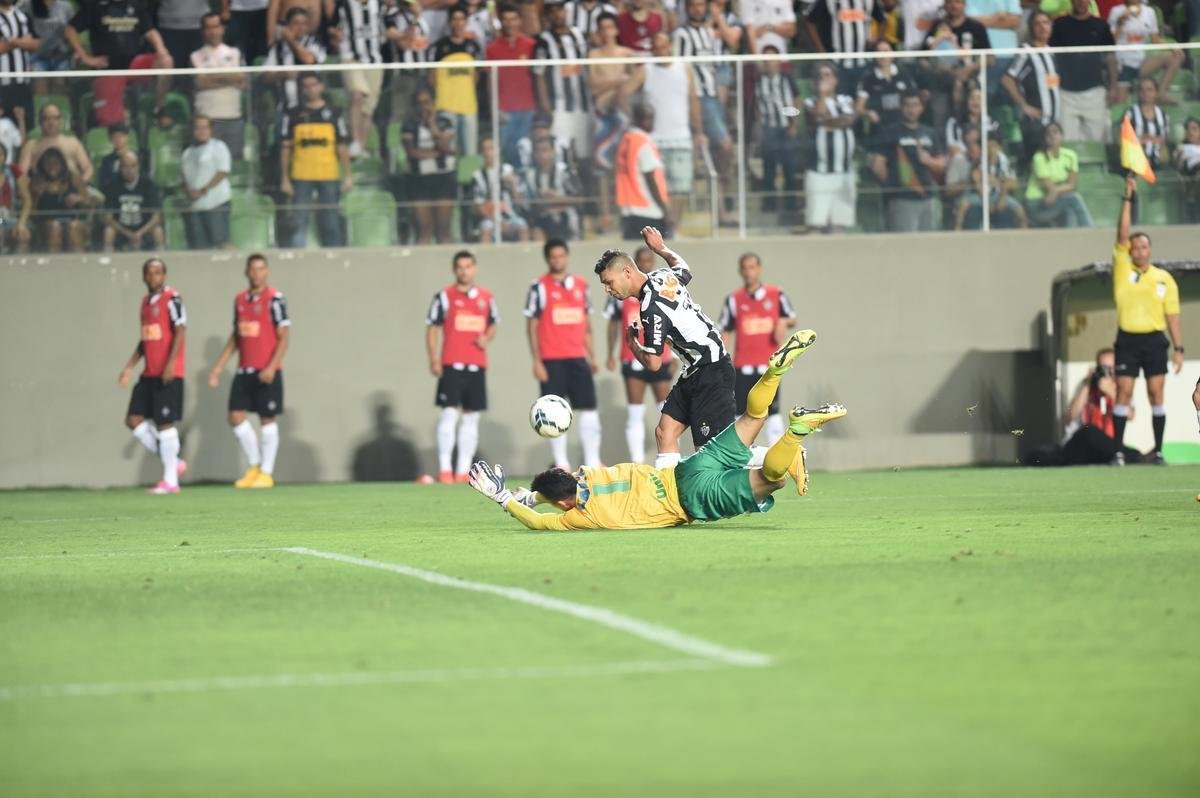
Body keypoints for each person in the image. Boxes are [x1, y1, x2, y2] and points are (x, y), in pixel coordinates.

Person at [466, 332, 845, 531]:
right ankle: (773, 373)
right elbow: (561, 491)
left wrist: (503, 499)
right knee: (752, 419)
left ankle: (795, 434)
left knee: (772, 479)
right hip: (685, 469)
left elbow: (543, 518)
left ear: (564, 503)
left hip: (691, 499)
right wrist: (531, 495)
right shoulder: (592, 474)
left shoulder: (580, 517)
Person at [596, 226, 748, 468]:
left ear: (626, 272)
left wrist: (631, 343)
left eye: (608, 282)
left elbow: (654, 363)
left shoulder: (650, 307)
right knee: (665, 432)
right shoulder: (662, 276)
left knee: (713, 455)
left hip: (711, 370)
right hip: (696, 369)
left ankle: (782, 455)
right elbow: (685, 269)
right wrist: (661, 249)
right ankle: (667, 497)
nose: (607, 289)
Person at [1110, 174, 1183, 465]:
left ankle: (1159, 450)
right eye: (1135, 246)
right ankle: (1117, 451)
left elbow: (1173, 315)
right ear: (1130, 250)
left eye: (1144, 246)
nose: (1139, 250)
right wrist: (1128, 196)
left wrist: (1178, 348)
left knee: (1156, 392)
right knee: (1124, 391)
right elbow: (1121, 234)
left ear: (1150, 250)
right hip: (1128, 339)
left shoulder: (1163, 278)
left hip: (1154, 340)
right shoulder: (1121, 268)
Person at [206, 253, 292, 489]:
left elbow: (284, 337)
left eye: (261, 268)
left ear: (268, 272)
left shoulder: (276, 299)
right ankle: (255, 466)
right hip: (244, 370)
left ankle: (266, 473)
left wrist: (272, 366)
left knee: (267, 419)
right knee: (235, 416)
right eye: (253, 269)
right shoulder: (240, 300)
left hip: (267, 370)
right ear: (246, 272)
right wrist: (218, 367)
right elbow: (237, 336)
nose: (257, 273)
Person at [524, 238, 602, 469]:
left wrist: (592, 356)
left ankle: (592, 461)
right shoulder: (538, 287)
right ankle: (561, 463)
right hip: (551, 359)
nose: (558, 260)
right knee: (553, 410)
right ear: (547, 259)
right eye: (553, 256)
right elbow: (532, 325)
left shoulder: (581, 284)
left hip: (577, 357)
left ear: (567, 257)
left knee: (588, 407)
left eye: (561, 256)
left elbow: (586, 324)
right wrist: (536, 360)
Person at [426, 250, 499, 484]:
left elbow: (493, 324)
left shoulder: (486, 297)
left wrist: (486, 338)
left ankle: (463, 471)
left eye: (468, 266)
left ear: (474, 268)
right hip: (451, 364)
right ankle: (445, 469)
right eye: (460, 267)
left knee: (471, 418)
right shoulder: (444, 296)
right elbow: (432, 327)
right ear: (454, 269)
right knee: (449, 414)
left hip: (476, 365)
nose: (464, 270)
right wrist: (434, 358)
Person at [117, 258, 188, 495]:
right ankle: (174, 462)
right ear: (144, 276)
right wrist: (129, 367)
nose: (153, 277)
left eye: (158, 272)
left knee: (164, 423)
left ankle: (171, 481)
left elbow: (180, 331)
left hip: (168, 373)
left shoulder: (173, 299)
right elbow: (146, 339)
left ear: (164, 275)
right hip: (149, 374)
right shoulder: (145, 303)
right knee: (134, 420)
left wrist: (170, 365)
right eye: (149, 273)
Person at [718, 252, 797, 451]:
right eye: (745, 268)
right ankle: (739, 457)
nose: (748, 272)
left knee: (773, 411)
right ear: (740, 271)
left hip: (769, 367)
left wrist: (783, 321)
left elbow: (792, 317)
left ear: (760, 269)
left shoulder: (775, 294)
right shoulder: (734, 299)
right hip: (742, 366)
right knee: (739, 413)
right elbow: (725, 330)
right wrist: (720, 360)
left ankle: (777, 460)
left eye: (752, 267)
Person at [604, 246, 676, 463]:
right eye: (641, 260)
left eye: (648, 260)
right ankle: (637, 461)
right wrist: (610, 352)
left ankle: (672, 456)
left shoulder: (661, 289)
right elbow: (613, 325)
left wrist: (672, 357)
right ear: (631, 266)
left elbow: (672, 323)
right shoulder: (619, 292)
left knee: (667, 410)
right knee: (636, 411)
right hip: (632, 357)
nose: (645, 264)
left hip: (659, 356)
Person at [65, 0, 173, 127]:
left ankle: (160, 108)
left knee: (166, 61)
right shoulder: (95, 6)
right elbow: (70, 29)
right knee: (112, 123)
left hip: (134, 65)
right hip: (108, 68)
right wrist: (85, 57)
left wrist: (161, 49)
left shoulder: (136, 6)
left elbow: (150, 31)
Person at [674, 0, 735, 224]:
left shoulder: (710, 31)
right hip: (697, 97)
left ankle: (720, 199)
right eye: (693, 5)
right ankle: (718, 184)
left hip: (712, 95)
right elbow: (680, 68)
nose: (698, 9)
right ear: (687, 8)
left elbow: (714, 66)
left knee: (719, 153)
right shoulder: (681, 34)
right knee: (724, 146)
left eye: (701, 5)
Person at [279, 72, 351, 248]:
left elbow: (341, 146)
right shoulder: (292, 114)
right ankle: (298, 257)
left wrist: (348, 175)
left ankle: (333, 256)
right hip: (301, 174)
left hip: (328, 174)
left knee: (330, 220)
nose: (310, 89)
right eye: (306, 86)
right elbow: (285, 147)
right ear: (301, 89)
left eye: (313, 85)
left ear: (321, 86)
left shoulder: (334, 113)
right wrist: (285, 178)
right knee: (299, 220)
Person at [588, 10, 643, 231]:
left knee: (622, 164)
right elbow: (593, 86)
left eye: (610, 27)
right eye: (603, 28)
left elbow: (635, 81)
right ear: (598, 32)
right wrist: (617, 81)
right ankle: (605, 212)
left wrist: (617, 84)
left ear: (616, 30)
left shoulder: (627, 54)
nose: (607, 32)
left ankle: (623, 210)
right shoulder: (593, 55)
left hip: (621, 114)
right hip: (602, 114)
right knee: (602, 164)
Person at [639, 34, 695, 227]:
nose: (661, 50)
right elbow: (624, 93)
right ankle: (664, 225)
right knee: (658, 188)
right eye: (656, 47)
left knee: (681, 188)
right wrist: (636, 120)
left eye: (663, 46)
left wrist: (699, 131)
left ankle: (675, 227)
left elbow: (693, 100)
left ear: (669, 46)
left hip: (681, 137)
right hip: (655, 140)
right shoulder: (646, 70)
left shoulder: (684, 68)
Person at [869, 89, 944, 233]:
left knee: (928, 245)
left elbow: (942, 164)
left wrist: (929, 161)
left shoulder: (930, 133)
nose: (911, 109)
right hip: (901, 199)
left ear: (921, 108)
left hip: (928, 198)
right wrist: (894, 185)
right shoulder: (890, 132)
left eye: (915, 105)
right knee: (904, 246)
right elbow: (877, 165)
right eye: (907, 105)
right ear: (901, 107)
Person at [533, 0, 592, 168]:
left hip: (584, 103)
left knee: (584, 151)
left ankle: (585, 189)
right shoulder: (544, 41)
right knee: (561, 150)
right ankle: (563, 188)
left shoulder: (579, 34)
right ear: (548, 15)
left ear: (565, 11)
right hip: (559, 105)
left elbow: (590, 65)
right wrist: (546, 106)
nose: (557, 14)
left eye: (560, 10)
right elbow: (539, 74)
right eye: (552, 11)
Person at [1049, 0, 1118, 143]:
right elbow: (1051, 58)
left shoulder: (1101, 25)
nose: (1081, 2)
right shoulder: (1059, 24)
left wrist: (1113, 87)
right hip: (1066, 93)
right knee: (1067, 141)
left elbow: (1111, 58)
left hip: (1095, 93)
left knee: (1098, 140)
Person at [1000, 11, 1061, 165]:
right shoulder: (1026, 52)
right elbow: (1007, 79)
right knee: (1036, 165)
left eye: (1046, 23)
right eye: (1037, 23)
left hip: (1053, 122)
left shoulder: (1052, 52)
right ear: (1031, 28)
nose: (1042, 27)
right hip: (1035, 124)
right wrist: (1024, 106)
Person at [804, 62, 857, 233]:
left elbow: (848, 120)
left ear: (836, 80)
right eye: (820, 76)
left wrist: (824, 122)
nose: (823, 79)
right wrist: (822, 96)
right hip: (819, 173)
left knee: (840, 223)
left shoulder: (846, 99)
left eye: (827, 75)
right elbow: (814, 117)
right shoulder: (809, 101)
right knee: (816, 222)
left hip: (844, 172)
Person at [332, 0, 385, 159]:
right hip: (350, 57)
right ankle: (355, 140)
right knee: (357, 95)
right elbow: (332, 26)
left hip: (374, 59)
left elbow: (386, 25)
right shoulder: (344, 4)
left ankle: (361, 145)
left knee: (368, 107)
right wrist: (335, 35)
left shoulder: (380, 4)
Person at [191, 11, 247, 160]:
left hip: (233, 118)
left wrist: (212, 75)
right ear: (203, 31)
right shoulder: (195, 56)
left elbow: (242, 81)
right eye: (208, 27)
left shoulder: (235, 53)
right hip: (207, 121)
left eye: (216, 26)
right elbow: (200, 82)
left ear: (222, 28)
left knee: (233, 164)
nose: (213, 31)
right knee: (205, 163)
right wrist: (229, 77)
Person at [487, 4, 538, 168]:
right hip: (504, 109)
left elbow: (537, 76)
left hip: (527, 108)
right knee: (506, 152)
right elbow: (490, 81)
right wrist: (494, 108)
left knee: (525, 151)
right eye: (506, 19)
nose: (510, 23)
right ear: (501, 21)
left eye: (513, 19)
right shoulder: (492, 48)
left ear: (520, 21)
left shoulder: (531, 45)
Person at [429, 4, 483, 158]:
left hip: (468, 107)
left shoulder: (474, 47)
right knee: (448, 152)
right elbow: (431, 77)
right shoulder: (439, 47)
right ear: (449, 22)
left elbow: (476, 77)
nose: (458, 23)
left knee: (469, 153)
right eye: (454, 19)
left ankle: (469, 181)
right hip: (446, 107)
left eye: (461, 19)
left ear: (466, 22)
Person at [1106, 1, 1183, 106]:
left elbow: (1155, 39)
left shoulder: (1149, 12)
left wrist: (1172, 47)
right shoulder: (1116, 11)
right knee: (1119, 103)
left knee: (1176, 57)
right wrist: (1121, 22)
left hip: (1141, 62)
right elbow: (1110, 41)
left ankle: (1160, 94)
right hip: (1122, 64)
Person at [615, 105, 672, 240]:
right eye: (646, 119)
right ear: (636, 120)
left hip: (629, 209)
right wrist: (665, 208)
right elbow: (651, 178)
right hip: (649, 210)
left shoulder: (626, 139)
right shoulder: (642, 142)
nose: (650, 123)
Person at [1024, 120, 1093, 227]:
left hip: (1057, 199)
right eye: (1048, 133)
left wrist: (1056, 191)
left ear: (1062, 136)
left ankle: (1070, 238)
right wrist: (1057, 190)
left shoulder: (1070, 155)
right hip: (1037, 203)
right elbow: (1049, 188)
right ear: (1045, 138)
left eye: (1055, 132)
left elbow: (1072, 184)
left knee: (1069, 203)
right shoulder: (1039, 157)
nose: (1052, 136)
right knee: (1073, 198)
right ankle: (1090, 230)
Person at [756, 45, 799, 215]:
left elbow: (796, 101)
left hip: (786, 128)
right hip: (769, 129)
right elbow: (758, 106)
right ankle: (770, 203)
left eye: (772, 58)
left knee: (789, 168)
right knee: (769, 168)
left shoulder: (787, 79)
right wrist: (760, 128)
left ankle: (791, 203)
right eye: (765, 59)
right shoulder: (760, 81)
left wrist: (793, 125)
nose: (769, 62)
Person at [181, 115, 233, 249]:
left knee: (221, 243)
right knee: (199, 248)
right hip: (195, 206)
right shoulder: (187, 153)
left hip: (216, 203)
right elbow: (183, 177)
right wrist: (188, 192)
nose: (201, 131)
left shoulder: (219, 147)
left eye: (204, 127)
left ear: (211, 130)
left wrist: (203, 190)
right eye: (197, 128)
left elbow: (222, 171)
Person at [262, 7, 326, 112]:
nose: (301, 27)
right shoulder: (278, 48)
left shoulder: (314, 43)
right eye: (296, 23)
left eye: (304, 23)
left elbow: (309, 60)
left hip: (311, 106)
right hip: (285, 107)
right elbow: (264, 77)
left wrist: (290, 40)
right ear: (288, 26)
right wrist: (283, 74)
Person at [521, 134, 584, 240]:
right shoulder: (530, 175)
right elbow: (526, 203)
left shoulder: (564, 172)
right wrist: (541, 200)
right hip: (542, 218)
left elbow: (580, 199)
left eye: (545, 150)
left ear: (553, 152)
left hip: (566, 217)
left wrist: (557, 198)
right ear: (533, 154)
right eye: (538, 151)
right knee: (536, 233)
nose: (541, 154)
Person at [26, 145, 88, 252]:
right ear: (42, 165)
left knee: (74, 228)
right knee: (55, 228)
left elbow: (89, 201)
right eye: (48, 164)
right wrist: (36, 196)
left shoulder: (73, 178)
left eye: (55, 164)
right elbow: (30, 212)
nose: (52, 167)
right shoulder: (36, 181)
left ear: (62, 164)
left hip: (71, 219)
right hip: (45, 222)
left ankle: (78, 263)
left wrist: (79, 199)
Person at [471, 134, 529, 242]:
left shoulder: (509, 170)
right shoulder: (477, 176)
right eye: (485, 149)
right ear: (481, 153)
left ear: (498, 150)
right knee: (485, 229)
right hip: (489, 218)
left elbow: (520, 202)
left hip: (510, 217)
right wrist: (497, 221)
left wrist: (513, 185)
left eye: (491, 148)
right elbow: (477, 206)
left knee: (522, 226)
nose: (488, 153)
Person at [103, 151, 165, 252]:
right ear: (120, 168)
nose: (129, 170)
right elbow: (108, 218)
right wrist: (128, 233)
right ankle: (107, 261)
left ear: (138, 167)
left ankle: (160, 262)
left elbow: (157, 217)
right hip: (122, 230)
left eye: (133, 166)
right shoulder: (112, 185)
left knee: (158, 231)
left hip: (144, 229)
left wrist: (139, 233)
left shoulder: (148, 184)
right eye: (125, 166)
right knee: (109, 231)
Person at [17, 101, 92, 183]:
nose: (51, 122)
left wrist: (80, 184)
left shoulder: (73, 142)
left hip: (72, 187)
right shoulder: (31, 145)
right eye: (46, 118)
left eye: (55, 118)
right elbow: (21, 174)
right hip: (41, 189)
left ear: (60, 120)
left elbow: (88, 169)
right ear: (40, 121)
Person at [383, 0, 430, 127]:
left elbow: (425, 42)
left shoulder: (423, 19)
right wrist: (414, 20)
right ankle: (394, 142)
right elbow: (404, 44)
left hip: (422, 71)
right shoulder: (395, 18)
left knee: (424, 109)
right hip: (404, 72)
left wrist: (417, 17)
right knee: (400, 110)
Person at [0, 0, 38, 139]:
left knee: (25, 128)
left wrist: (12, 41)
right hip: (2, 84)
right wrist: (23, 42)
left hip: (23, 83)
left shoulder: (23, 16)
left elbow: (36, 43)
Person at [1122, 76, 1168, 170]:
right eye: (1142, 90)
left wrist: (1156, 141)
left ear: (1156, 93)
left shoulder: (1163, 115)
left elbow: (1164, 140)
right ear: (1138, 93)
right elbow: (1121, 140)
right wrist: (1141, 140)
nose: (1145, 93)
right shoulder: (1130, 113)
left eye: (1149, 89)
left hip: (1158, 161)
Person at [0, 143, 31, 253]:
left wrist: (21, 223)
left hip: (8, 218)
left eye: (0, 154)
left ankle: (19, 265)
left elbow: (27, 200)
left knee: (22, 234)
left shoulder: (13, 170)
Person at [221, 0, 270, 65]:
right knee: (237, 47)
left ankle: (260, 73)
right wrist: (225, 9)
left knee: (261, 48)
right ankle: (238, 71)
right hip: (238, 9)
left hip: (263, 8)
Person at [1174, 117, 1200, 224]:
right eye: (1187, 129)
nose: (1191, 132)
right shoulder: (1181, 148)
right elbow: (1177, 169)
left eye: (1194, 129)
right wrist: (1179, 158)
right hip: (1192, 177)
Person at [97, 122, 134, 193]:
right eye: (115, 137)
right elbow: (104, 183)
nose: (118, 139)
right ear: (110, 139)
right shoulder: (107, 160)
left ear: (127, 137)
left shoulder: (135, 158)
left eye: (121, 136)